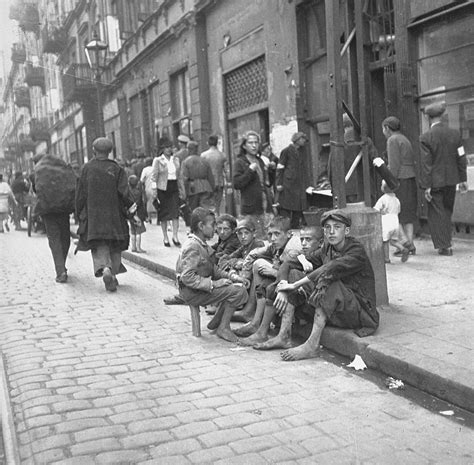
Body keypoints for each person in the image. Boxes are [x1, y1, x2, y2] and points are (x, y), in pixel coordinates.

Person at [275, 209, 379, 361]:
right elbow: (290, 263)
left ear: (347, 230)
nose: (331, 232)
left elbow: (329, 269)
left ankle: (312, 345)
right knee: (294, 273)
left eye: (337, 227)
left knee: (329, 283)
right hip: (338, 306)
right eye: (327, 227)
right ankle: (284, 335)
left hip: (359, 311)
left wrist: (294, 286)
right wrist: (283, 287)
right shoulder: (327, 248)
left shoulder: (356, 250)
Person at [176, 207, 249, 343]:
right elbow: (188, 277)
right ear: (201, 226)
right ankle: (223, 327)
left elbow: (212, 268)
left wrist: (232, 277)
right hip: (193, 292)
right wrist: (214, 284)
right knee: (239, 291)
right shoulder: (193, 246)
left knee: (235, 286)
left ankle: (217, 321)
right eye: (213, 225)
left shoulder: (199, 243)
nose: (215, 229)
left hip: (195, 290)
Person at [76, 137, 136, 292]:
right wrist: (132, 207)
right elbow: (124, 192)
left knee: (100, 245)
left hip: (94, 216)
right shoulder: (117, 169)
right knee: (115, 245)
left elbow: (80, 195)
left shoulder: (86, 169)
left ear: (94, 151)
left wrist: (78, 213)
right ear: (110, 151)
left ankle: (105, 269)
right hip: (114, 215)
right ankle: (113, 273)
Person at [251, 225, 324, 350]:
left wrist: (289, 286)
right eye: (302, 240)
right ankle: (262, 332)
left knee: (293, 274)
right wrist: (283, 287)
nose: (304, 244)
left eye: (308, 240)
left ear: (321, 242)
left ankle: (283, 336)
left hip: (320, 306)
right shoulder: (304, 255)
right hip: (303, 301)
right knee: (272, 286)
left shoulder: (323, 255)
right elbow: (286, 264)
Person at [233, 216, 301, 332]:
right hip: (282, 283)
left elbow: (295, 274)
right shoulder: (276, 245)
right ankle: (253, 317)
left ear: (289, 234)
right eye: (270, 235)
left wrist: (274, 272)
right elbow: (254, 253)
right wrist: (245, 276)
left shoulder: (293, 248)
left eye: (277, 234)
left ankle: (255, 320)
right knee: (258, 263)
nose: (273, 238)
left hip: (297, 289)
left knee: (261, 267)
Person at [420, 102, 468, 256]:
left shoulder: (426, 137)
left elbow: (426, 164)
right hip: (452, 181)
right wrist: (463, 179)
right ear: (443, 116)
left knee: (436, 213)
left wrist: (426, 186)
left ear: (428, 117)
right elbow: (461, 158)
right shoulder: (455, 134)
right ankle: (446, 242)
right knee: (447, 211)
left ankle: (444, 245)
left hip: (435, 182)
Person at [33, 154, 76, 283]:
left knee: (54, 240)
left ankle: (60, 271)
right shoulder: (61, 166)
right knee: (65, 237)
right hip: (63, 208)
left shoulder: (38, 170)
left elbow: (36, 189)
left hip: (47, 210)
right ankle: (61, 265)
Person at [382, 116, 417, 255]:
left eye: (383, 129)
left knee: (396, 212)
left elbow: (394, 165)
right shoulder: (404, 139)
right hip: (410, 178)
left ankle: (404, 243)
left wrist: (388, 181)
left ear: (387, 128)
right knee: (408, 213)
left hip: (400, 180)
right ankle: (411, 244)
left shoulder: (392, 140)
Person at [233, 131, 269, 238]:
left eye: (256, 143)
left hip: (263, 205)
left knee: (264, 237)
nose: (254, 146)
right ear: (244, 146)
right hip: (249, 207)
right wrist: (249, 170)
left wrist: (270, 171)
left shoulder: (260, 161)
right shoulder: (240, 162)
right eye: (250, 143)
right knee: (250, 237)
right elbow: (237, 183)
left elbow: (266, 183)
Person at [151, 137, 184, 247]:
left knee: (175, 213)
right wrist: (154, 191)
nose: (169, 150)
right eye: (167, 148)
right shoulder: (158, 160)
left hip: (173, 186)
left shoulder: (176, 160)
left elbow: (179, 176)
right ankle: (165, 237)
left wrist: (181, 190)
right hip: (163, 188)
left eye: (171, 147)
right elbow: (154, 177)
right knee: (164, 214)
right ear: (162, 149)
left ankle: (175, 236)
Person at [276, 132, 310, 229]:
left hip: (299, 183)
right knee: (287, 206)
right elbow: (280, 168)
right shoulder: (286, 151)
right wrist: (279, 183)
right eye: (302, 139)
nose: (304, 141)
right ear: (297, 140)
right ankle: (286, 227)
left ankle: (295, 226)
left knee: (298, 206)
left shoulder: (302, 151)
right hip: (288, 184)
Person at [374, 180, 409, 263]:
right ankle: (403, 249)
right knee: (393, 241)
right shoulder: (396, 200)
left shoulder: (383, 199)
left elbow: (376, 209)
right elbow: (399, 210)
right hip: (395, 221)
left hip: (386, 221)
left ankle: (386, 258)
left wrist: (381, 212)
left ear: (383, 188)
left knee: (385, 241)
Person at [181, 141, 215, 211]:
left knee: (194, 211)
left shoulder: (185, 162)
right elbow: (210, 177)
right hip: (206, 187)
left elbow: (185, 179)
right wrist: (212, 190)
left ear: (189, 149)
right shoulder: (204, 161)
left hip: (192, 188)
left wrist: (184, 193)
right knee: (205, 209)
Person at [201, 135, 228, 214]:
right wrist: (228, 181)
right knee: (218, 203)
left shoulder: (203, 155)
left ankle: (211, 217)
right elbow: (226, 170)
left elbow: (203, 170)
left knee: (208, 203)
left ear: (208, 143)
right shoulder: (222, 155)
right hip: (219, 182)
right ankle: (217, 215)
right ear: (217, 143)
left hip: (208, 182)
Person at [128, 175, 147, 253]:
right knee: (138, 231)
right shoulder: (139, 192)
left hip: (131, 214)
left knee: (132, 231)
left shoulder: (128, 192)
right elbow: (140, 202)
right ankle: (138, 248)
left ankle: (133, 247)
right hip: (138, 213)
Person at [139, 157, 155, 222]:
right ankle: (158, 219)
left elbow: (142, 180)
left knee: (149, 202)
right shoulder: (155, 168)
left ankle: (149, 217)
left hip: (148, 187)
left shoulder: (145, 170)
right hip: (156, 187)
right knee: (157, 202)